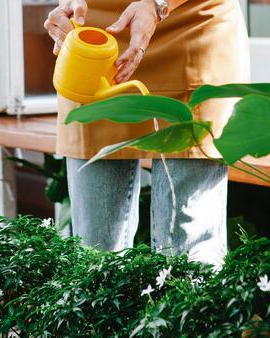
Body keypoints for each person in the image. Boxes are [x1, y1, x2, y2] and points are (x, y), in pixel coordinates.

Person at [44, 0, 249, 266]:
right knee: (95, 257)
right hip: (97, 40)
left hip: (192, 27)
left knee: (187, 257)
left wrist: (158, 5)